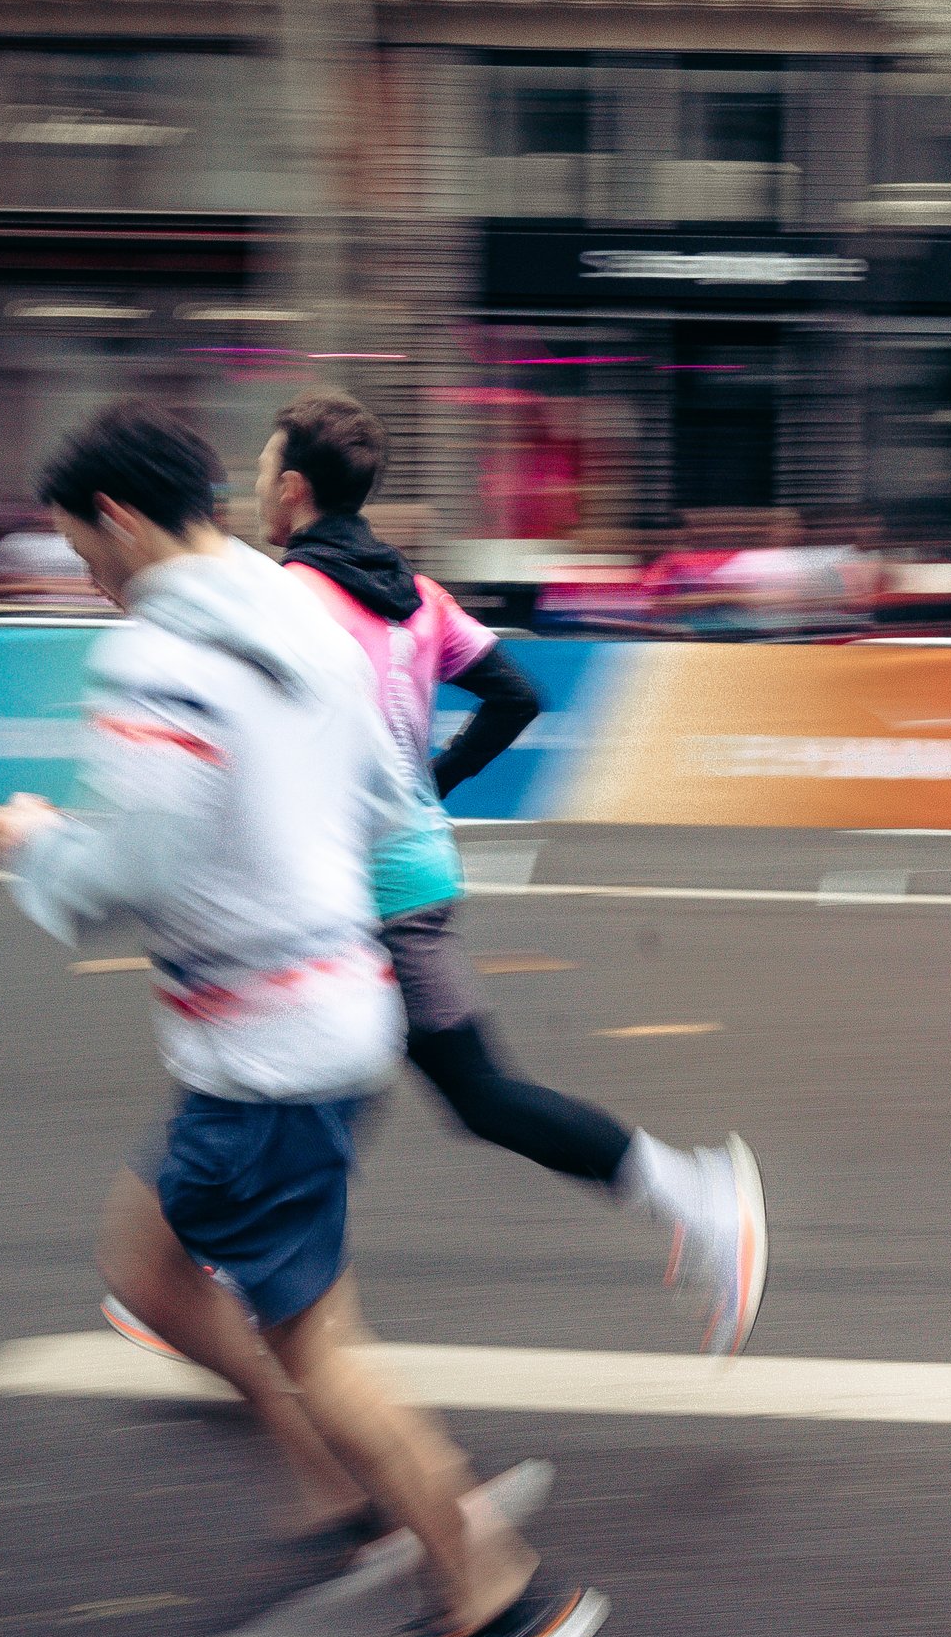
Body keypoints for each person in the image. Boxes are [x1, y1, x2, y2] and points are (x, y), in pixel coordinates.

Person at [0, 400, 606, 1637]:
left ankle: (485, 1587)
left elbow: (129, 867)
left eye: (81, 550)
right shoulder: (305, 619)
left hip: (261, 1051)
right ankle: (361, 1487)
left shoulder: (157, 653)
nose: (84, 580)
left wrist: (31, 839)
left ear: (124, 519)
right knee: (148, 1267)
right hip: (324, 1012)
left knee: (316, 1334)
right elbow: (392, 798)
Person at [110, 387, 768, 1360]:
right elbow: (513, 693)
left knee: (372, 1082)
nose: (253, 488)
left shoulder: (288, 600)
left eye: (259, 472)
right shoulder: (417, 596)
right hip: (401, 875)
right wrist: (432, 780)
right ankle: (221, 1276)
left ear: (291, 489)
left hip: (341, 886)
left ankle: (700, 1198)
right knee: (307, 1081)